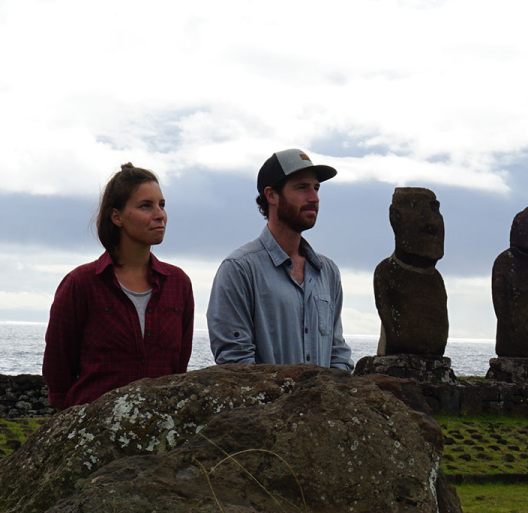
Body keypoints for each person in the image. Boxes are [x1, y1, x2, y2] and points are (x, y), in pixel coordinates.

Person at [42, 163, 195, 410]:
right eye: (146, 206)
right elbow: (58, 369)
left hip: (160, 432)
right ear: (117, 217)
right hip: (91, 433)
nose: (160, 214)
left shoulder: (178, 284)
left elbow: (178, 368)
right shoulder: (81, 284)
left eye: (162, 205)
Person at [206, 148, 353, 369]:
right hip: (267, 404)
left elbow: (337, 352)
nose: (314, 198)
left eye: (316, 188)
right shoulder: (239, 269)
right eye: (302, 188)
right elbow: (235, 363)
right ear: (271, 195)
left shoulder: (328, 272)